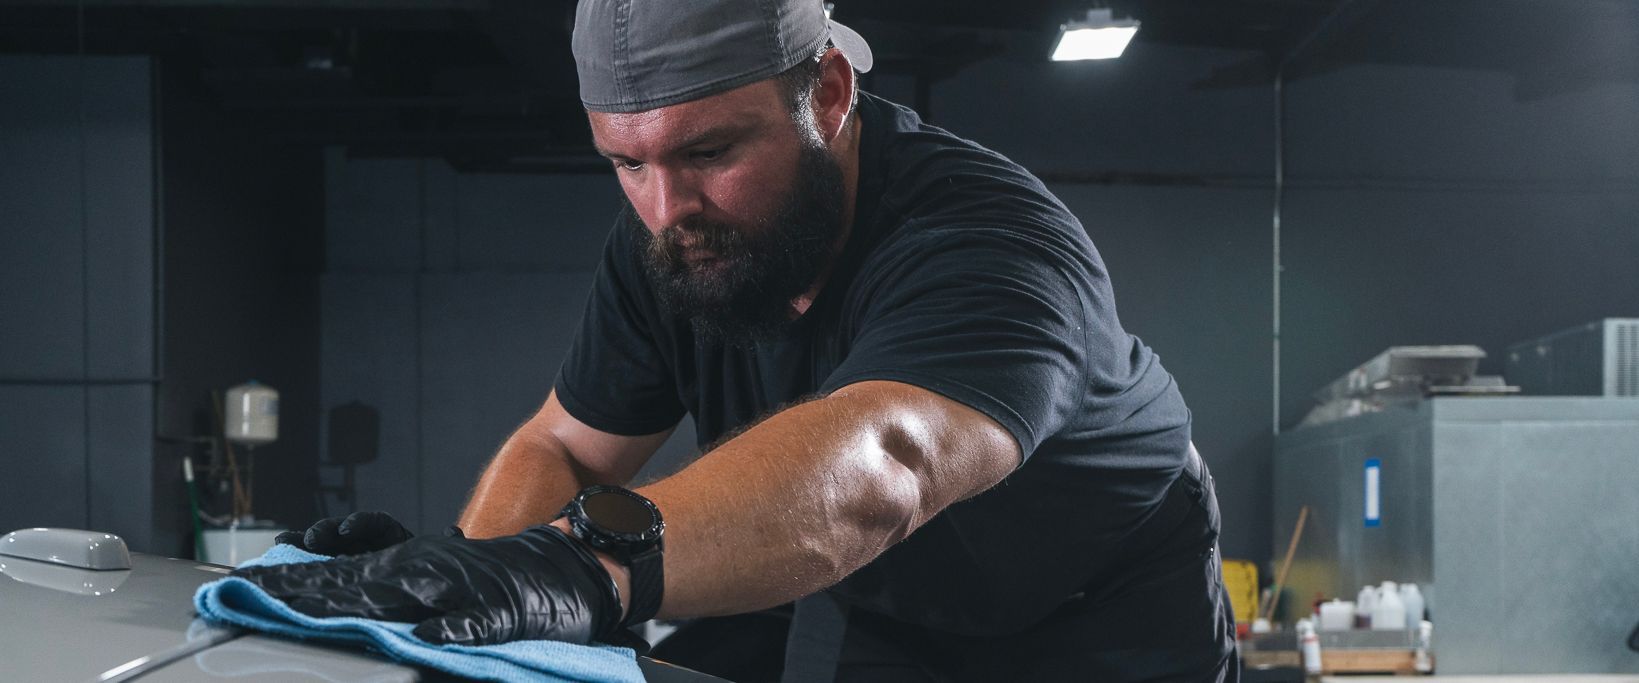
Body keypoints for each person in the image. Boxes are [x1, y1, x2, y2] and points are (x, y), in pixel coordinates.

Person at [238, 0, 1239, 680]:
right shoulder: (669, 240)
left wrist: (579, 566)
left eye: (709, 150)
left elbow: (882, 459)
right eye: (625, 162)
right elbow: (567, 445)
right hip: (880, 601)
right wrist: (470, 582)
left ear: (830, 94)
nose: (666, 206)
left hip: (1103, 611)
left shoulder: (992, 244)